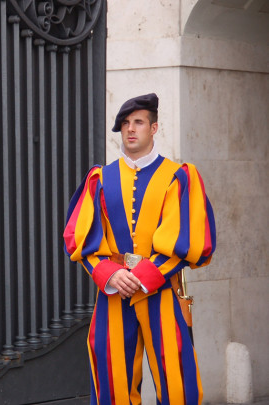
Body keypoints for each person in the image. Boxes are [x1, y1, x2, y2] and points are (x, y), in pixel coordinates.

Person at [63, 93, 216, 404]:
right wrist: (109, 273)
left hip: (162, 292)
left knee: (178, 385)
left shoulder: (177, 177)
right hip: (114, 294)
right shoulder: (101, 179)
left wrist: (144, 275)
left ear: (154, 127)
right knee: (111, 386)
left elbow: (186, 238)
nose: (130, 129)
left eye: (138, 122)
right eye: (124, 123)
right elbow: (83, 238)